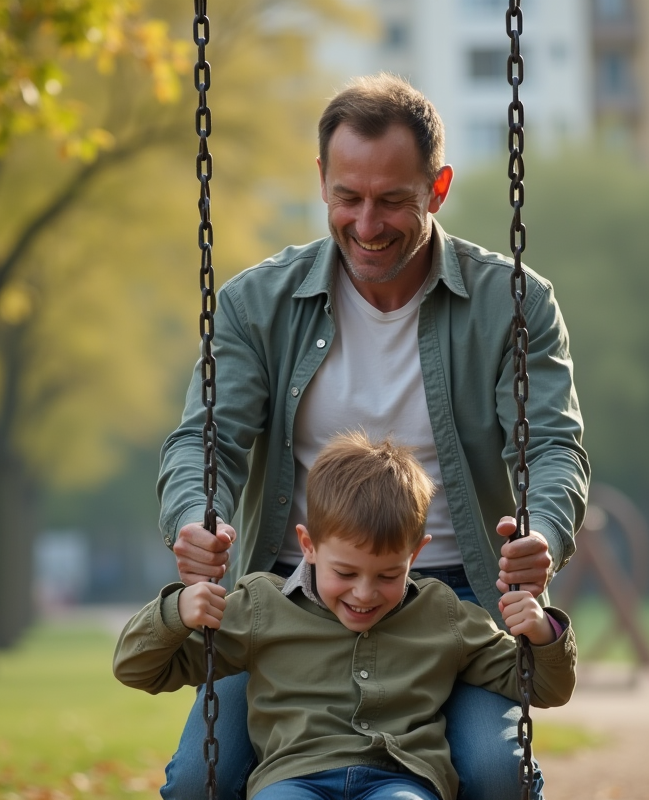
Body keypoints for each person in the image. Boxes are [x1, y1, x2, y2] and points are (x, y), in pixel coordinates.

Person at [158, 73, 590, 799]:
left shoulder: (512, 301)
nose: (366, 224)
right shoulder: (256, 304)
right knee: (198, 779)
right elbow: (207, 439)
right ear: (322, 181)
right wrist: (195, 520)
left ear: (439, 187)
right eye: (347, 198)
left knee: (495, 773)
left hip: (459, 593)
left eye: (393, 200)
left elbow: (549, 444)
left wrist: (540, 531)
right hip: (299, 596)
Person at [118, 432, 577, 800]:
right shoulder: (261, 607)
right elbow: (138, 668)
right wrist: (175, 612)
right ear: (308, 545)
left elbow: (544, 687)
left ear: (416, 554)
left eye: (387, 574)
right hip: (292, 778)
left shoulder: (442, 614)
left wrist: (541, 633)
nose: (364, 593)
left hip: (400, 780)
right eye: (345, 572)